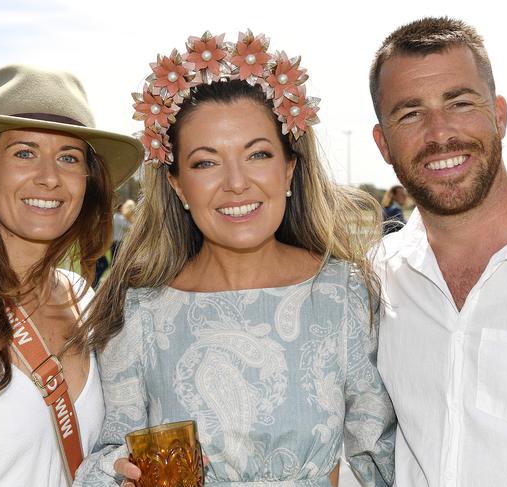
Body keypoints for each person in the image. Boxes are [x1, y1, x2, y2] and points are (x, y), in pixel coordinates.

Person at [75, 31, 395, 487]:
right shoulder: (140, 309)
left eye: (258, 154)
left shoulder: (344, 292)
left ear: (289, 168)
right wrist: (118, 474)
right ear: (178, 185)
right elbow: (109, 456)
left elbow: (379, 458)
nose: (236, 183)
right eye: (206, 162)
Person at [0, 64, 143, 486]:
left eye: (69, 158)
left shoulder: (85, 300)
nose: (49, 177)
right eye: (24, 152)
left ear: (87, 182)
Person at [370, 17, 507, 487]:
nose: (440, 133)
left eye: (459, 102)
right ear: (383, 144)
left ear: (499, 115)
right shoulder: (374, 280)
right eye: (410, 113)